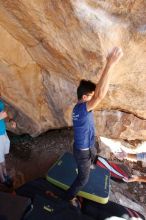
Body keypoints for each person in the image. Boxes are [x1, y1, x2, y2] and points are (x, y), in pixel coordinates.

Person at [65, 47, 123, 207]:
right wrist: (110, 64)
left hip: (86, 146)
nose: (94, 101)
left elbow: (96, 93)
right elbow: (99, 95)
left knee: (95, 153)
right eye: (90, 98)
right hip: (82, 152)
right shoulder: (83, 109)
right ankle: (68, 198)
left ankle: (89, 164)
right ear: (84, 97)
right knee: (83, 180)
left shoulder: (80, 107)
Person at [0, 97, 16, 187]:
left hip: (2, 132)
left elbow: (4, 115)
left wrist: (10, 120)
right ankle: (2, 179)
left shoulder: (0, 102)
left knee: (2, 156)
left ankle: (5, 173)